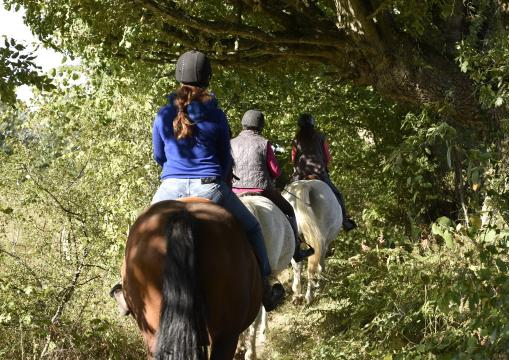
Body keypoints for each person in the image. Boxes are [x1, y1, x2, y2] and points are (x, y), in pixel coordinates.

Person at [149, 50, 284, 311]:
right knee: (253, 228)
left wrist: (175, 172)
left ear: (178, 76)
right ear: (208, 79)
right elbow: (225, 158)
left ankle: (123, 285)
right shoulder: (217, 115)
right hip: (210, 187)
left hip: (170, 187)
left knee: (139, 229)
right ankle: (266, 287)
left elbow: (158, 155)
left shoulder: (163, 114)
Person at [230, 110, 315, 262]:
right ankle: (296, 250)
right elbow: (275, 170)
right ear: (260, 125)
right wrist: (277, 180)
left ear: (243, 123)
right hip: (262, 189)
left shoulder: (231, 143)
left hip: (235, 190)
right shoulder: (264, 143)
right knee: (289, 211)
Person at [291, 113, 357, 231]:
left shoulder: (296, 139)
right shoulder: (320, 136)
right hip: (319, 173)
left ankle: (289, 223)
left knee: (287, 194)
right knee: (338, 195)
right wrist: (324, 166)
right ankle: (345, 222)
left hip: (300, 175)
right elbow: (327, 157)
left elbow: (293, 158)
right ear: (313, 123)